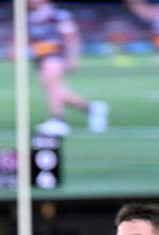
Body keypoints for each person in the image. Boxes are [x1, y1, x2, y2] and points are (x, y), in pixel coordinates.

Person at [28, 0, 108, 137]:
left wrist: (73, 58)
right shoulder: (30, 18)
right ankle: (92, 109)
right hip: (40, 58)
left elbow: (71, 37)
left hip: (57, 55)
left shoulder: (58, 15)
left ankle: (58, 120)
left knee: (52, 85)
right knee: (54, 89)